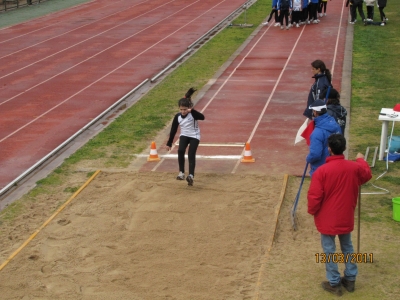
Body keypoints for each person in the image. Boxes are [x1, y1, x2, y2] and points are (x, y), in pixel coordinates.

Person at [308, 134, 372, 296]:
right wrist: (360, 160)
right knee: (347, 246)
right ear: (344, 148)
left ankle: (334, 282)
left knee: (329, 249)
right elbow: (365, 174)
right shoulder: (353, 167)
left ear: (329, 149)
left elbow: (315, 196)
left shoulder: (322, 171)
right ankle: (350, 278)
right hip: (345, 214)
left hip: (327, 217)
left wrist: (312, 210)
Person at [166, 88, 205, 186]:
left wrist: (192, 111)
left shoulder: (193, 115)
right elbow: (173, 130)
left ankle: (191, 175)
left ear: (188, 108)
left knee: (191, 153)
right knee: (180, 150)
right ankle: (181, 173)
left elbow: (202, 117)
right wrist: (169, 143)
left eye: (185, 109)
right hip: (184, 135)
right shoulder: (177, 117)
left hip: (194, 136)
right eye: (181, 109)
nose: (183, 111)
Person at [306, 100, 341, 176]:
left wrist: (308, 158)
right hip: (336, 167)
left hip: (321, 170)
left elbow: (315, 154)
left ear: (315, 112)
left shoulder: (317, 133)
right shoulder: (336, 125)